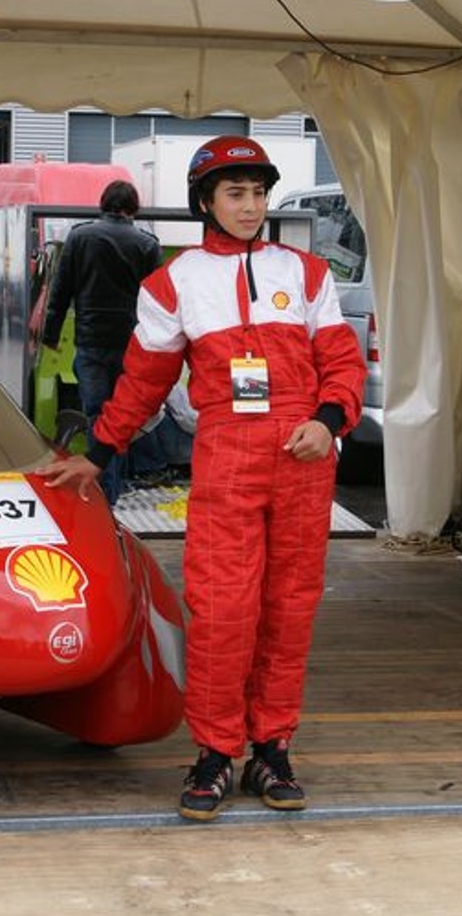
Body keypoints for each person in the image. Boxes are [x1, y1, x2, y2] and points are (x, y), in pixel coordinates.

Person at [36, 136, 365, 821]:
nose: (250, 207)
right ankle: (215, 753)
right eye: (235, 194)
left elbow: (342, 360)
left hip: (304, 463)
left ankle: (271, 748)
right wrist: (98, 451)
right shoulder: (172, 283)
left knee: (288, 610)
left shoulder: (305, 273)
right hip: (229, 463)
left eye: (257, 193)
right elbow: (142, 384)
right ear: (205, 203)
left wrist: (329, 421)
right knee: (221, 613)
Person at [40, 178, 161, 504]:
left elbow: (60, 291)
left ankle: (104, 492)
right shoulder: (147, 244)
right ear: (133, 208)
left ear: (103, 204)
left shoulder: (79, 237)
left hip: (90, 342)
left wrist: (50, 335)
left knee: (97, 415)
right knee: (122, 417)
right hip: (130, 344)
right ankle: (114, 487)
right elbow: (158, 300)